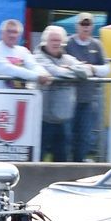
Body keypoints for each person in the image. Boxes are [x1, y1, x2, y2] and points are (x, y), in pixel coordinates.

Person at [34, 25, 89, 161]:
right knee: (38, 158)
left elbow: (86, 72)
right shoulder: (37, 57)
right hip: (43, 119)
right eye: (52, 40)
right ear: (45, 41)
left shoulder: (68, 59)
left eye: (58, 40)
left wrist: (68, 68)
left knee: (62, 159)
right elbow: (55, 72)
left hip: (65, 119)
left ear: (63, 42)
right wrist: (72, 72)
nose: (56, 43)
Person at [65, 12, 111, 161]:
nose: (85, 27)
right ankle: (61, 165)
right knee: (67, 135)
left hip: (88, 99)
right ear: (76, 26)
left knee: (84, 136)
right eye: (83, 24)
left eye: (88, 24)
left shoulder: (97, 45)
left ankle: (78, 166)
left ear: (92, 27)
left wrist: (92, 69)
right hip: (68, 99)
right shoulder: (67, 43)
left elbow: (107, 69)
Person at [0, 19, 52, 89]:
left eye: (15, 32)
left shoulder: (23, 51)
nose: (12, 35)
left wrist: (44, 73)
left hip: (18, 97)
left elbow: (33, 65)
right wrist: (37, 77)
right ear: (1, 33)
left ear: (20, 35)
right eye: (9, 31)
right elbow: (7, 69)